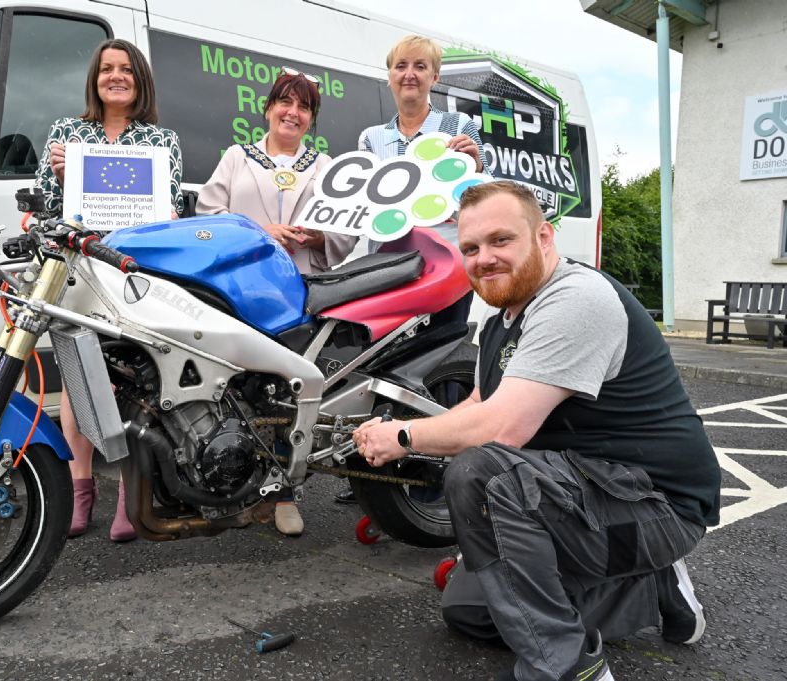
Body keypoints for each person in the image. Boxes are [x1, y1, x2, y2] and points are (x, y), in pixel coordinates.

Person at [352, 180, 721, 681]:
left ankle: (568, 667)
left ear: (544, 237)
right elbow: (481, 404)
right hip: (585, 492)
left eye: (501, 240)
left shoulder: (577, 299)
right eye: (471, 249)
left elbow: (501, 428)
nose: (484, 258)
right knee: (473, 613)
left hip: (654, 505)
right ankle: (653, 589)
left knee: (483, 474)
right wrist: (404, 432)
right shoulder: (500, 319)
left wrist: (400, 438)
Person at [35, 38, 184, 541]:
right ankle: (81, 490)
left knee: (129, 385)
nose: (115, 77)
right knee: (78, 383)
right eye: (106, 69)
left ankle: (128, 493)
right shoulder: (65, 134)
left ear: (139, 79)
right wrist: (62, 176)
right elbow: (39, 210)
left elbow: (173, 218)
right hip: (77, 273)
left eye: (125, 69)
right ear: (95, 80)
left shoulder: (161, 142)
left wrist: (164, 213)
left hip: (131, 278)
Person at [196, 68, 356, 534]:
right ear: (267, 108)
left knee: (289, 390)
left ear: (311, 119)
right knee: (239, 387)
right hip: (242, 288)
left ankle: (285, 492)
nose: (293, 112)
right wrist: (260, 231)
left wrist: (319, 234)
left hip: (302, 290)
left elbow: (346, 229)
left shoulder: (326, 168)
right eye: (285, 102)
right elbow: (207, 214)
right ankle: (240, 489)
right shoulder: (235, 157)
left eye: (304, 106)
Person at [335, 33, 489, 505]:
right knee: (380, 363)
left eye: (420, 66)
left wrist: (476, 162)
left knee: (438, 360)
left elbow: (476, 194)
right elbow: (362, 200)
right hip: (391, 266)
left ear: (435, 77)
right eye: (401, 65)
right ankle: (368, 468)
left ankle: (435, 468)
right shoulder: (371, 138)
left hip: (445, 264)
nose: (410, 74)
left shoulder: (459, 125)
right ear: (389, 76)